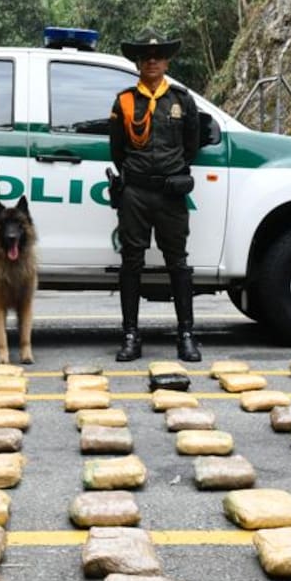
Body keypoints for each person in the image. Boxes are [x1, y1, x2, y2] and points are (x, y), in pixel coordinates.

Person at [108, 28, 201, 363]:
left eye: (158, 56)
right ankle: (131, 336)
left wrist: (170, 173)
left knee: (177, 262)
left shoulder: (181, 100)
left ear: (166, 61)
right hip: (135, 192)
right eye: (146, 57)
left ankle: (186, 335)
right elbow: (117, 150)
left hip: (170, 193)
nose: (151, 61)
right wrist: (138, 175)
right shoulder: (124, 101)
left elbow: (191, 146)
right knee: (131, 262)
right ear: (137, 62)